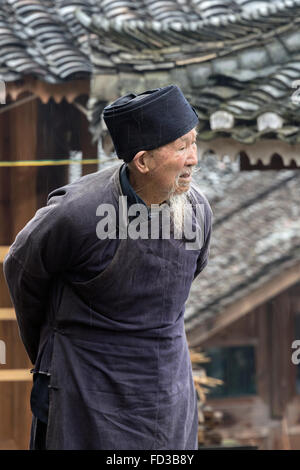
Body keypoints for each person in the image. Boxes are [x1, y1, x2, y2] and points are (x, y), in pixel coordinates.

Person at [3, 84, 213, 450]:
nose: (193, 158)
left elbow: (190, 274)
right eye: (181, 147)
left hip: (165, 392)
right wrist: (50, 347)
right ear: (142, 161)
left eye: (193, 143)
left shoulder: (198, 212)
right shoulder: (78, 213)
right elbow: (22, 268)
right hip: (86, 390)